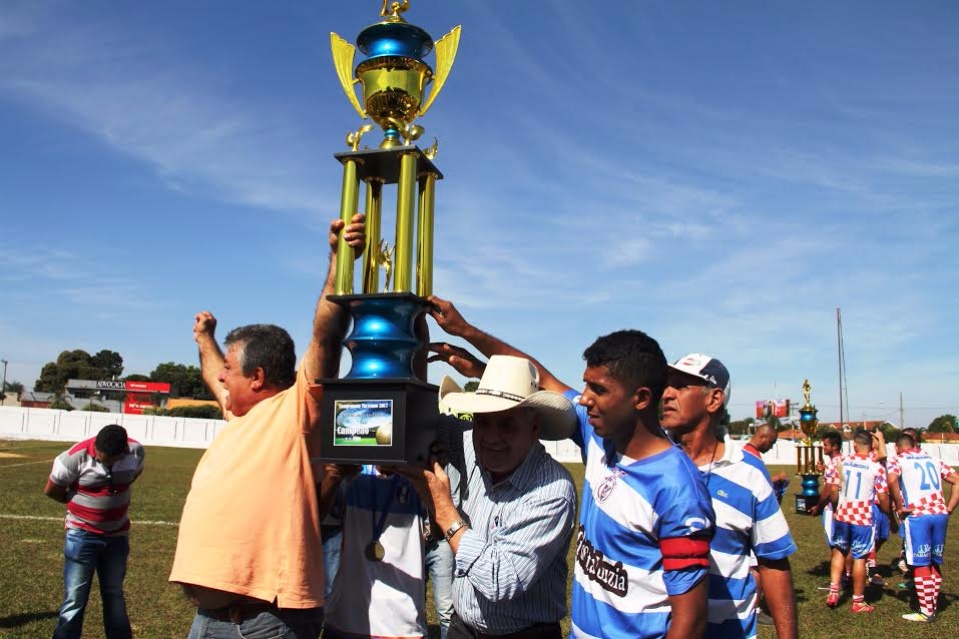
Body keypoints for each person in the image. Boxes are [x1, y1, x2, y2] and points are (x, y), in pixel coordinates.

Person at [426, 296, 715, 639]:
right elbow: (540, 376)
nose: (584, 398)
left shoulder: (678, 488)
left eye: (599, 390)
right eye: (587, 385)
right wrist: (466, 331)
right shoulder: (599, 437)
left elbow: (691, 619)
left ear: (640, 398)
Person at [168, 214, 365, 639]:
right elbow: (211, 374)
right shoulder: (239, 415)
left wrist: (338, 260)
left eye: (231, 371)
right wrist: (204, 339)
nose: (221, 377)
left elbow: (326, 338)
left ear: (257, 377)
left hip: (259, 624)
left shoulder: (294, 411)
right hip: (208, 622)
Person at [408, 355, 578, 639]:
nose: (490, 437)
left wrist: (444, 510)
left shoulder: (553, 490)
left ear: (534, 428)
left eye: (507, 425)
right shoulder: (471, 444)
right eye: (482, 422)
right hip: (464, 628)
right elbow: (418, 417)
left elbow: (499, 580)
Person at [661, 354, 798, 639]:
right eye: (667, 384)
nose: (667, 393)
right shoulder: (650, 461)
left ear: (714, 399)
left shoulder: (749, 473)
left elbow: (773, 562)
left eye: (681, 385)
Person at [45, 423, 145, 639]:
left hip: (117, 535)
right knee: (75, 598)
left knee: (114, 594)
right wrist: (80, 504)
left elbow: (133, 475)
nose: (100, 459)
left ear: (121, 453)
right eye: (98, 455)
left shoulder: (135, 452)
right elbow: (52, 490)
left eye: (107, 458)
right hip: (81, 535)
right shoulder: (72, 458)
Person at [321, 465, 428, 639]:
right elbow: (314, 517)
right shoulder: (352, 471)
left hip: (401, 625)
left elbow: (440, 533)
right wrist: (335, 474)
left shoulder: (419, 472)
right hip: (346, 620)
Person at [887, 432, 959, 622]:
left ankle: (926, 612)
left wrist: (900, 506)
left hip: (918, 515)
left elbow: (892, 480)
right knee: (934, 561)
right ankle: (932, 606)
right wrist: (950, 507)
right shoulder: (934, 459)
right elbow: (957, 479)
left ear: (897, 447)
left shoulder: (898, 459)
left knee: (920, 563)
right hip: (939, 514)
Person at [824, 429, 891, 613]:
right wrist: (890, 514)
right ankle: (858, 601)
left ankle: (833, 591)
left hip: (842, 515)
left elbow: (832, 491)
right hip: (862, 518)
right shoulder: (875, 466)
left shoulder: (842, 462)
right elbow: (883, 497)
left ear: (854, 445)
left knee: (838, 551)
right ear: (870, 446)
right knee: (860, 557)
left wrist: (837, 508)